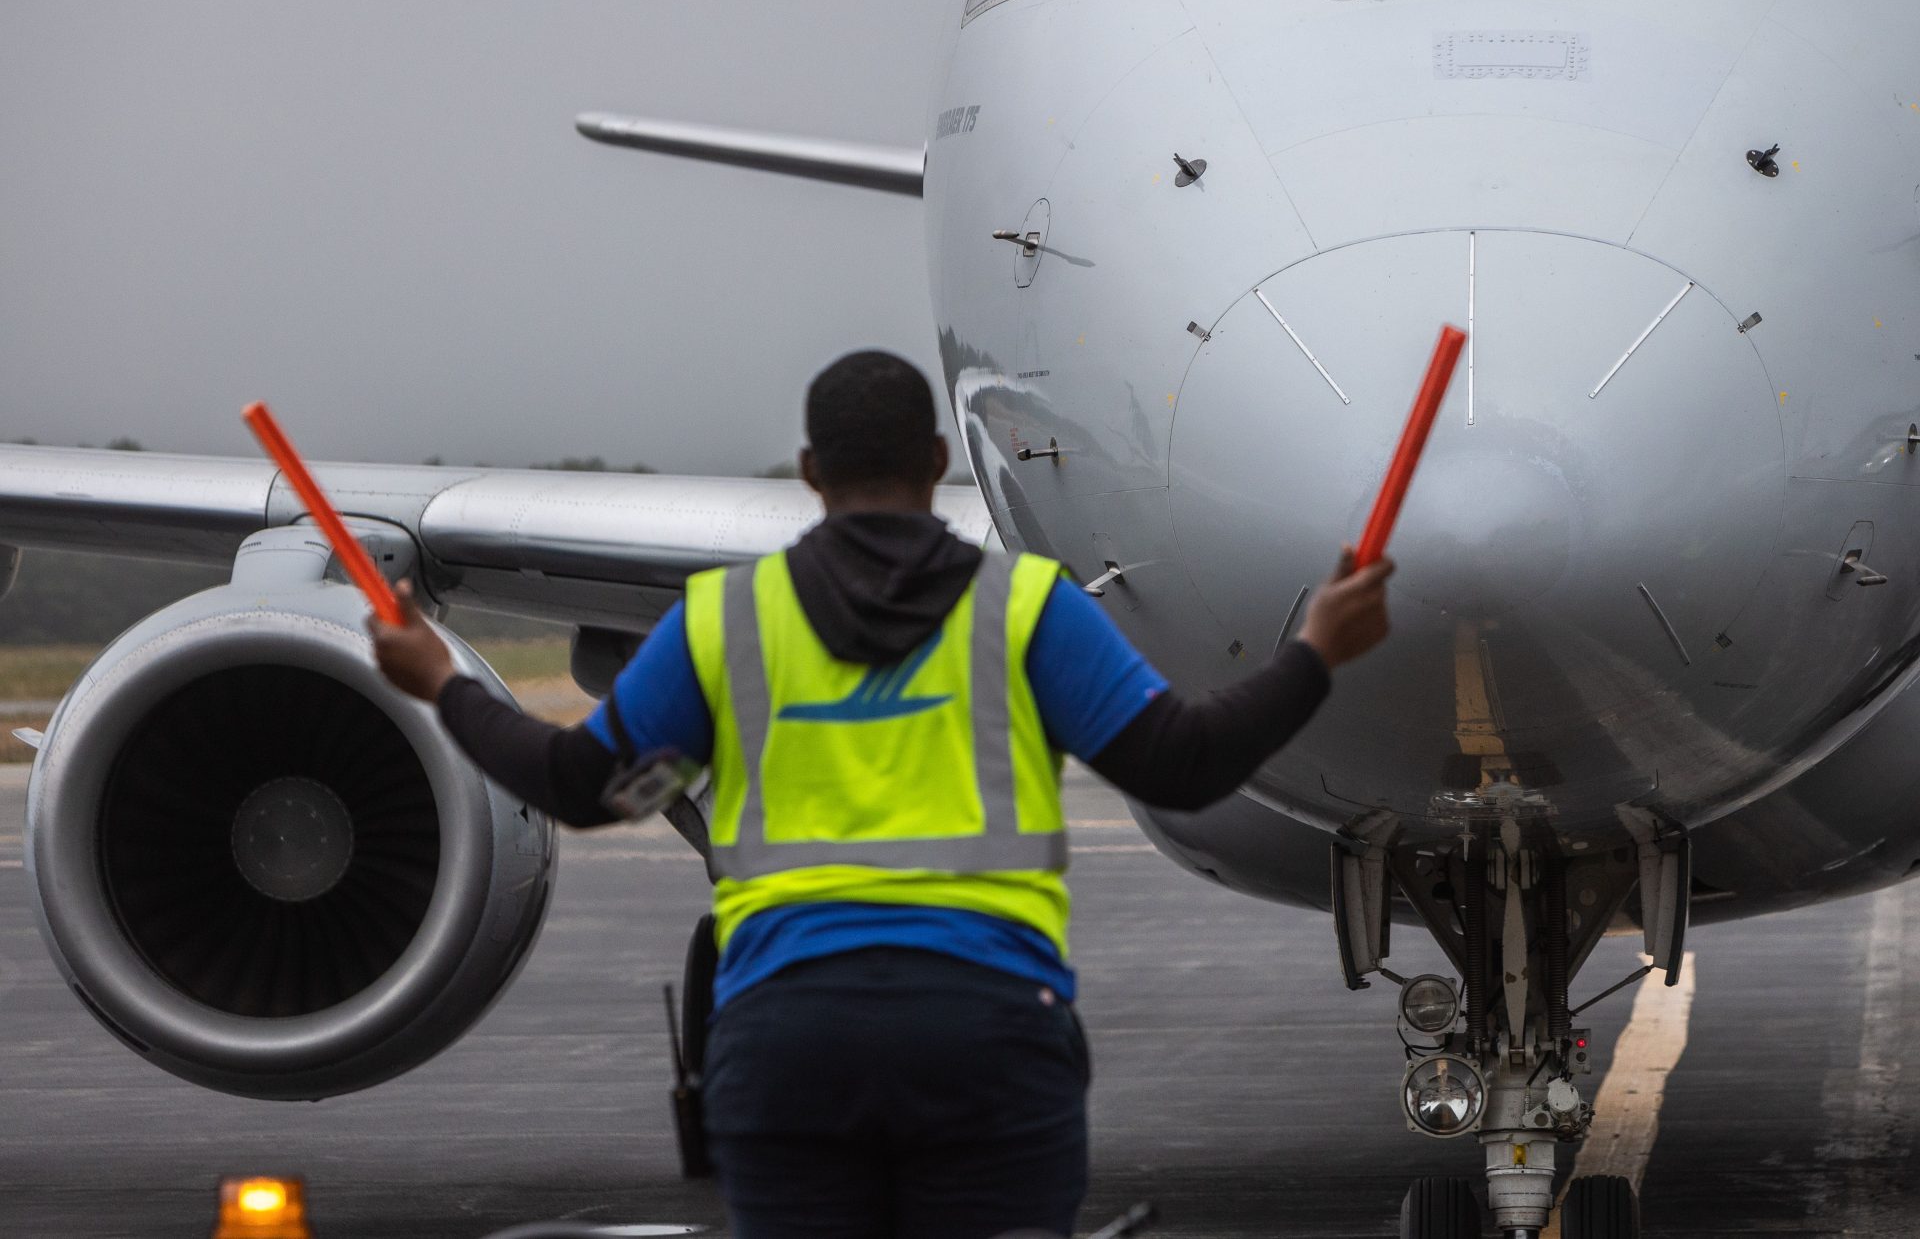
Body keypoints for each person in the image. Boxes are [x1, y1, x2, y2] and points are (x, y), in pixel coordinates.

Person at [368, 349, 1394, 1239]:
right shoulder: (1025, 611)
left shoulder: (725, 621)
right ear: (937, 463)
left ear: (811, 472)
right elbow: (1185, 765)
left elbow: (586, 789)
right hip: (985, 1036)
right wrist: (1313, 655)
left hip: (788, 1038)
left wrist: (440, 682)